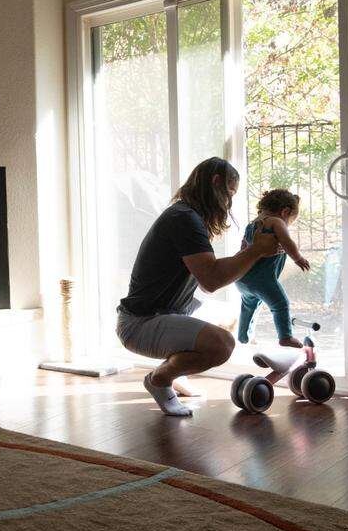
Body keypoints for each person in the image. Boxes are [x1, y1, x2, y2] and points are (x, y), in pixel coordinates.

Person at [116, 157, 280, 416]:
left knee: (227, 320)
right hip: (140, 323)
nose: (229, 202)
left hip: (157, 317)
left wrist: (248, 255)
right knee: (222, 344)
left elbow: (206, 282)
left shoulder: (186, 216)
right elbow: (212, 281)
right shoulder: (184, 219)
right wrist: (256, 252)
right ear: (215, 182)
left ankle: (174, 370)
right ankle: (160, 379)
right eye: (229, 193)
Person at [235, 189, 311, 348]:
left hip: (242, 277)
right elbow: (287, 241)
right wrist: (298, 258)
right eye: (291, 221)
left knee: (248, 307)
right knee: (280, 304)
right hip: (262, 279)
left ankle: (243, 337)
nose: (288, 224)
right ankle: (285, 337)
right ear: (285, 211)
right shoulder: (276, 222)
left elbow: (243, 249)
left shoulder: (253, 223)